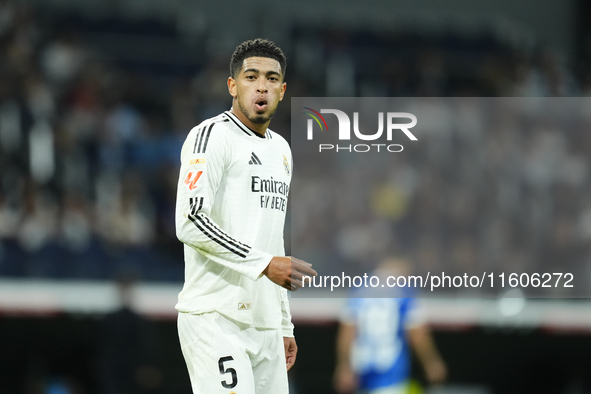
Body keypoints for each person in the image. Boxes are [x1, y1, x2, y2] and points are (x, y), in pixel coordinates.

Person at [175, 38, 317, 394]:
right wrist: (265, 264)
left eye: (271, 79)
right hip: (215, 316)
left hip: (265, 323)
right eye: (251, 77)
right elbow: (190, 221)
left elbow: (272, 239)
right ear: (232, 86)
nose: (261, 86)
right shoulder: (211, 136)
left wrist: (284, 323)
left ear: (282, 91)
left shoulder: (282, 149)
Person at [333, 258, 447, 394]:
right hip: (392, 373)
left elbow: (347, 333)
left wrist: (344, 366)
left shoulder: (359, 288)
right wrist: (431, 362)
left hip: (362, 371)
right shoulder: (404, 290)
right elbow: (417, 335)